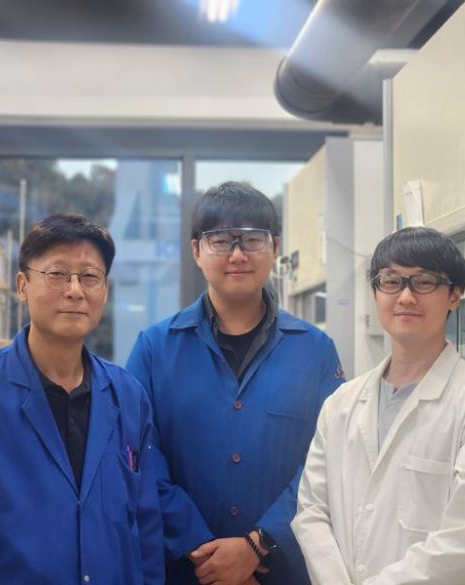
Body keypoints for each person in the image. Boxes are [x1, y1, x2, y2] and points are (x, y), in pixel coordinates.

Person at [0, 214, 164, 585]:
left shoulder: (128, 397)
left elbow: (146, 533)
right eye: (57, 274)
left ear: (105, 290)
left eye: (89, 276)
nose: (75, 290)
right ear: (22, 285)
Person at [126, 181, 345, 585]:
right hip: (185, 570)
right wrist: (202, 549)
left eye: (252, 239)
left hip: (281, 572)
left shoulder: (316, 351)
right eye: (221, 240)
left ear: (275, 247)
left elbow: (330, 459)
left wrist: (258, 544)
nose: (238, 254)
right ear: (196, 250)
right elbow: (137, 457)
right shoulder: (155, 349)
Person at [292, 226, 465, 585]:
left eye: (425, 282)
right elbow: (312, 512)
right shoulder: (341, 404)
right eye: (391, 281)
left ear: (454, 296)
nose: (406, 296)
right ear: (375, 292)